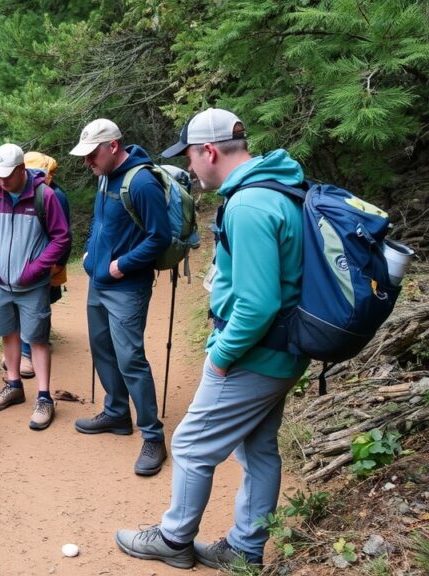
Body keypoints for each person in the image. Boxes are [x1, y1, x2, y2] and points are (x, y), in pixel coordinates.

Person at [114, 108, 309, 570]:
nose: (189, 166)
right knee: (258, 448)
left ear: (209, 151)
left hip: (254, 354)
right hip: (283, 350)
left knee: (190, 445)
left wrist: (221, 356)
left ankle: (174, 538)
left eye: (189, 155)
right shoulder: (278, 188)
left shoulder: (248, 206)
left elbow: (257, 305)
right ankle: (245, 548)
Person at [69, 118, 171, 477]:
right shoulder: (104, 175)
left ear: (112, 146)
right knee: (102, 349)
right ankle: (116, 413)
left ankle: (153, 436)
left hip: (126, 286)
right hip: (99, 283)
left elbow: (161, 237)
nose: (87, 162)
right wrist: (88, 254)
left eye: (92, 154)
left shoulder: (141, 181)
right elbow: (101, 223)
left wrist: (120, 265)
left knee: (131, 358)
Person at [0, 143, 71, 430]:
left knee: (38, 339)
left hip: (32, 285)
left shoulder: (45, 196)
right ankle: (14, 385)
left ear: (21, 170)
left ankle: (44, 398)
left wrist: (35, 269)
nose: (1, 181)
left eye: (6, 175)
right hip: (0, 282)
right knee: (8, 333)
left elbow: (61, 238)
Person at [1, 151, 72, 379]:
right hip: (30, 265)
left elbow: (63, 236)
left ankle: (27, 354)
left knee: (39, 306)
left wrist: (54, 266)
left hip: (43, 264)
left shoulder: (52, 195)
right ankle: (21, 351)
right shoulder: (52, 192)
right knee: (27, 307)